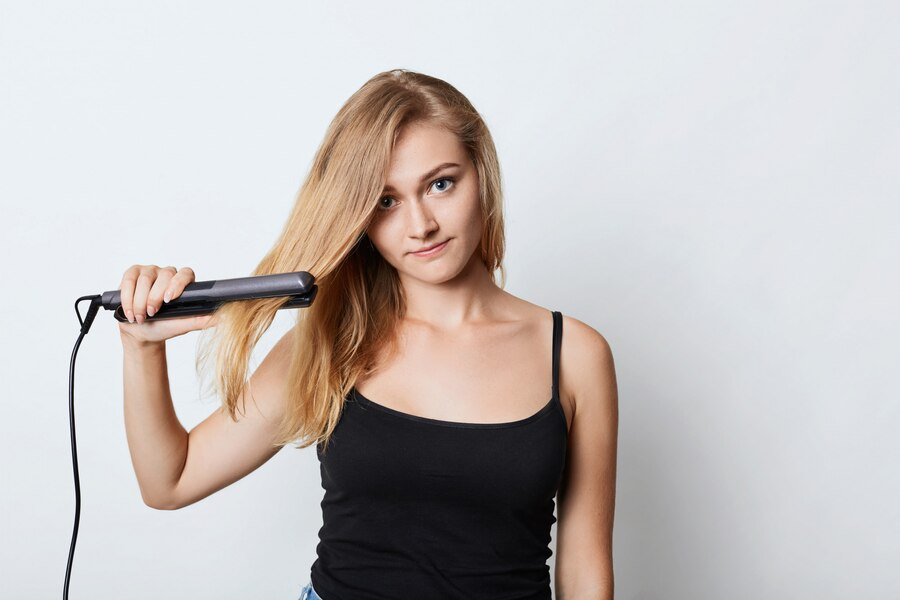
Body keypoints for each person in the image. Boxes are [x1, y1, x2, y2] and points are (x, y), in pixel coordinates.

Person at [116, 68, 618, 600]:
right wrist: (139, 348)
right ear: (358, 217)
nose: (420, 224)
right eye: (386, 201)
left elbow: (586, 573)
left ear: (482, 177)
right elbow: (170, 482)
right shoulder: (329, 345)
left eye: (440, 183)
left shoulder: (575, 355)